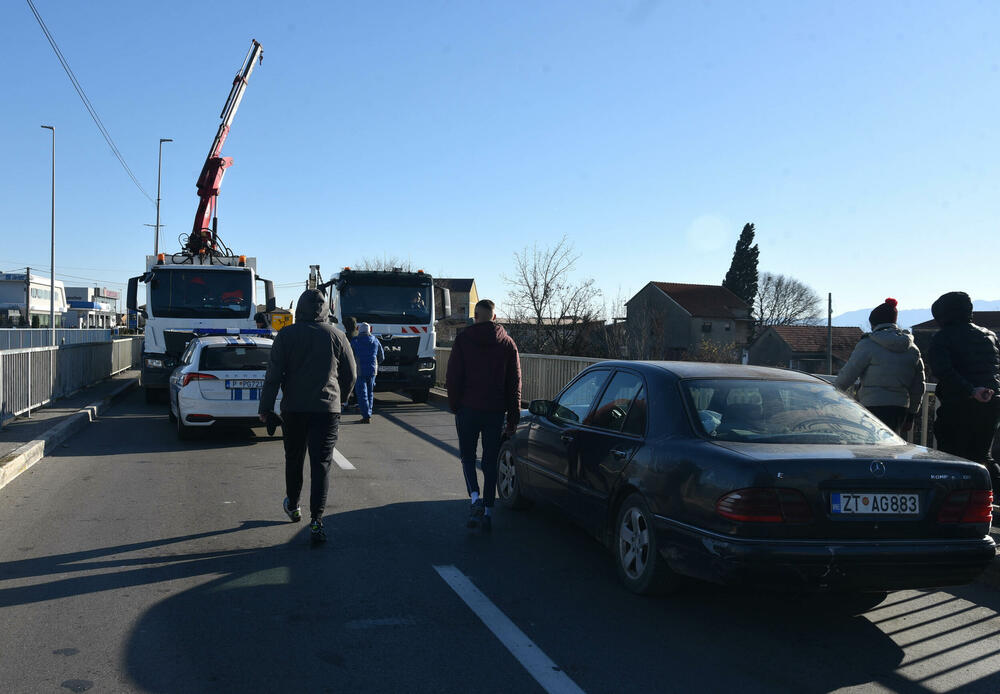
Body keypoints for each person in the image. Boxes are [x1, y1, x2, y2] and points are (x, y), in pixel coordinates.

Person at [259, 289, 357, 543]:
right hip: (327, 409)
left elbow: (273, 375)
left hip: (293, 409)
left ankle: (293, 505)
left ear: (299, 308)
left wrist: (265, 408)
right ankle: (317, 520)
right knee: (321, 464)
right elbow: (351, 374)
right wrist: (342, 397)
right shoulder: (337, 336)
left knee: (294, 459)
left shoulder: (286, 335)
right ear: (325, 309)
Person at [446, 299, 521, 532]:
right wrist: (513, 417)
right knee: (490, 462)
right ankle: (488, 511)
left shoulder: (464, 340)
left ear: (475, 316)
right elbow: (515, 383)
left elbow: (453, 376)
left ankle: (474, 498)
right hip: (496, 411)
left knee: (468, 458)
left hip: (468, 408)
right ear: (495, 318)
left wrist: (455, 405)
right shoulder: (508, 344)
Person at [927, 291, 1000, 487]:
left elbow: (944, 371)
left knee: (952, 458)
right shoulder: (990, 336)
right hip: (991, 404)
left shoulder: (942, 338)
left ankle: (953, 503)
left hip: (957, 405)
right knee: (983, 457)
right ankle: (990, 501)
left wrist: (970, 390)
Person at [834, 298, 925, 434]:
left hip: (871, 406)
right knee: (892, 448)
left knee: (869, 448)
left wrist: (831, 393)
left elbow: (848, 375)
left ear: (873, 323)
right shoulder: (912, 348)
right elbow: (918, 385)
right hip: (900, 408)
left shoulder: (868, 344)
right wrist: (911, 414)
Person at [350, 322, 384, 423]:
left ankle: (366, 415)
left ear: (359, 330)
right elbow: (381, 356)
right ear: (369, 330)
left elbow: (350, 356)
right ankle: (369, 412)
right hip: (372, 370)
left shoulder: (355, 341)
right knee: (370, 393)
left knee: (362, 394)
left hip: (359, 370)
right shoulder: (375, 341)